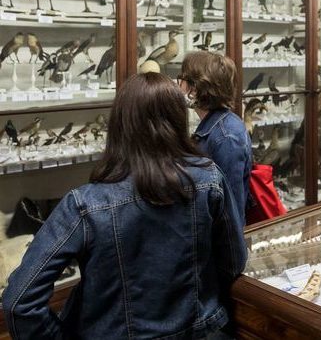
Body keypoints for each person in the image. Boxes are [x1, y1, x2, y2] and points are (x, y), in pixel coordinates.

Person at [2, 73, 247, 340]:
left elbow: (19, 302)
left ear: (119, 124)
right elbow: (233, 261)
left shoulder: (84, 204)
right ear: (178, 120)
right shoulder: (209, 179)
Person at [178, 51, 252, 226]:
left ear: (195, 88)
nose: (178, 85)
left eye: (181, 78)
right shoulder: (214, 126)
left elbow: (230, 209)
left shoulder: (227, 137)